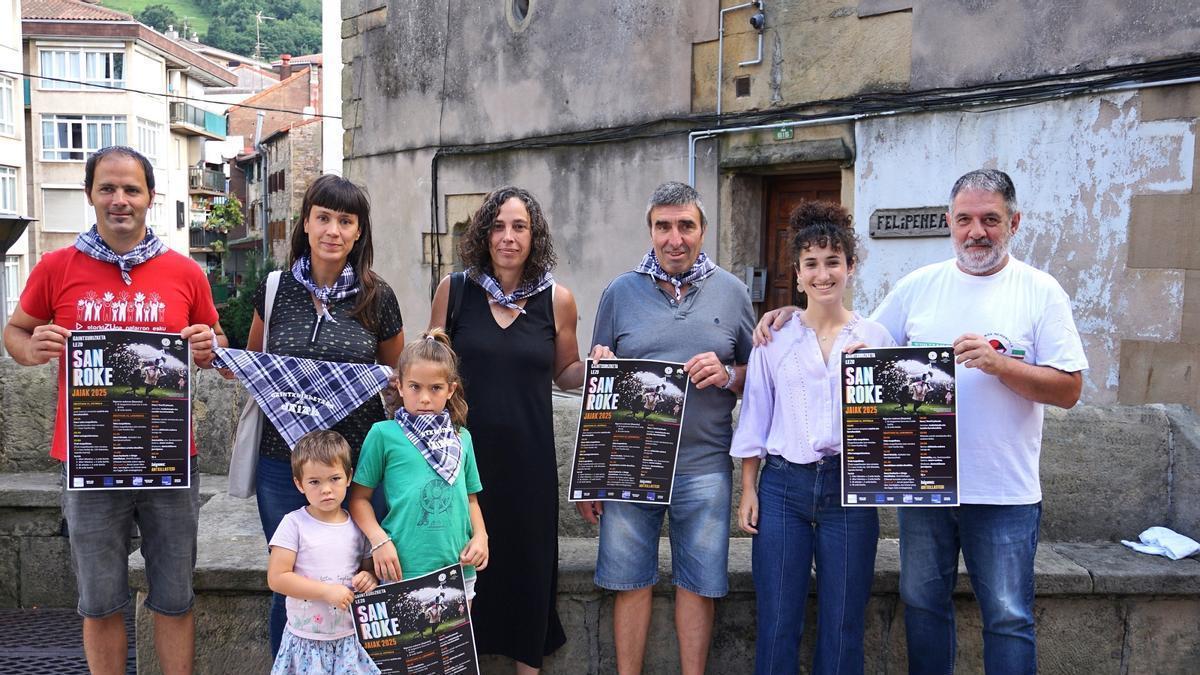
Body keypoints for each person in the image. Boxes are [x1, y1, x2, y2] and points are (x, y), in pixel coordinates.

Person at [755, 169, 1087, 674]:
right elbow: (854, 338)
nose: (977, 231)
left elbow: (1069, 389)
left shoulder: (1041, 291)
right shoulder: (918, 287)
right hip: (925, 489)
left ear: (1014, 223)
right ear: (950, 223)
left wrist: (1000, 365)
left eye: (990, 219)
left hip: (1003, 492)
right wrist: (787, 316)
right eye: (965, 219)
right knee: (923, 606)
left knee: (1008, 617)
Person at [2, 146, 227, 675]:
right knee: (99, 600)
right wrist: (31, 349)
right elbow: (15, 331)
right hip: (91, 459)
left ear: (150, 197)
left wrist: (209, 346)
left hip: (168, 459)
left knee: (174, 594)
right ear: (90, 195)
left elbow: (217, 342)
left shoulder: (185, 271)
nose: (119, 199)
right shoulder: (55, 267)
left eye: (131, 189)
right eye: (107, 188)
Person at [583, 181, 754, 675]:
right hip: (629, 466)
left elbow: (759, 377)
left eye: (685, 226)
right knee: (629, 582)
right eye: (663, 226)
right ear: (650, 230)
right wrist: (592, 474)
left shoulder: (733, 292)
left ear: (703, 230)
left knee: (698, 586)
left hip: (704, 466)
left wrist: (728, 374)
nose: (674, 238)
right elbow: (600, 387)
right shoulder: (619, 293)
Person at [246, 174, 405, 655]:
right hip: (284, 466)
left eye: (346, 220)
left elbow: (395, 380)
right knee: (291, 579)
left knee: (364, 576)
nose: (333, 230)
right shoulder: (274, 289)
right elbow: (253, 365)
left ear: (359, 232)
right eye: (324, 218)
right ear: (306, 223)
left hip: (361, 468)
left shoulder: (379, 297)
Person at [732, 201, 892, 675]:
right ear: (798, 274)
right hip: (784, 488)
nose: (823, 274)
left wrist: (873, 371)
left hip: (851, 489)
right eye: (812, 264)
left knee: (844, 624)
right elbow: (755, 416)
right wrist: (748, 488)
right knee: (778, 620)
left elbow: (895, 427)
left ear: (850, 267)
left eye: (833, 262)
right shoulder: (774, 339)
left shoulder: (877, 338)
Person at [428, 186, 584, 673]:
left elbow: (566, 372)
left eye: (520, 227)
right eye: (498, 226)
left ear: (534, 237)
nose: (508, 237)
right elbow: (430, 368)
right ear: (483, 233)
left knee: (527, 575)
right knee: (459, 575)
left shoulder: (557, 299)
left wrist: (602, 367)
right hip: (459, 465)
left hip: (529, 467)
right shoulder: (455, 290)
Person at [349, 330, 489, 604]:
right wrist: (379, 541)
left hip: (458, 568)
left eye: (435, 388)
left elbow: (471, 499)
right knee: (407, 635)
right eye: (415, 387)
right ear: (400, 386)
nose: (424, 398)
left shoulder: (462, 438)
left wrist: (481, 536)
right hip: (401, 568)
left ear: (450, 390)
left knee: (451, 635)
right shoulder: (383, 434)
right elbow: (358, 499)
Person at [266, 430, 381, 675]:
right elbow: (277, 578)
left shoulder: (358, 526)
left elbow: (368, 570)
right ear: (299, 484)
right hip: (306, 642)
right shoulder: (294, 524)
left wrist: (369, 578)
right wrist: (326, 592)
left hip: (350, 640)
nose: (326, 489)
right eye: (315, 482)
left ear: (349, 477)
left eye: (334, 478)